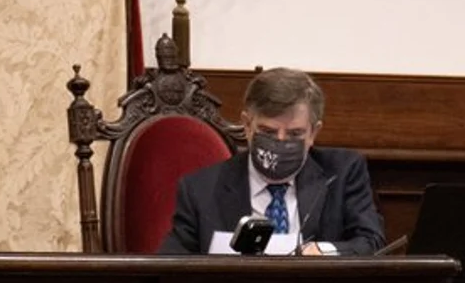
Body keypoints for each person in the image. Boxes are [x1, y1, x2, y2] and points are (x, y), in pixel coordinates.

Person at [159, 67, 384, 256]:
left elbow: (370, 242)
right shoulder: (200, 189)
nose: (281, 142)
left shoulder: (342, 173)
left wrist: (321, 252)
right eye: (268, 131)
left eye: (295, 134)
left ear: (314, 133)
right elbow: (173, 264)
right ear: (247, 125)